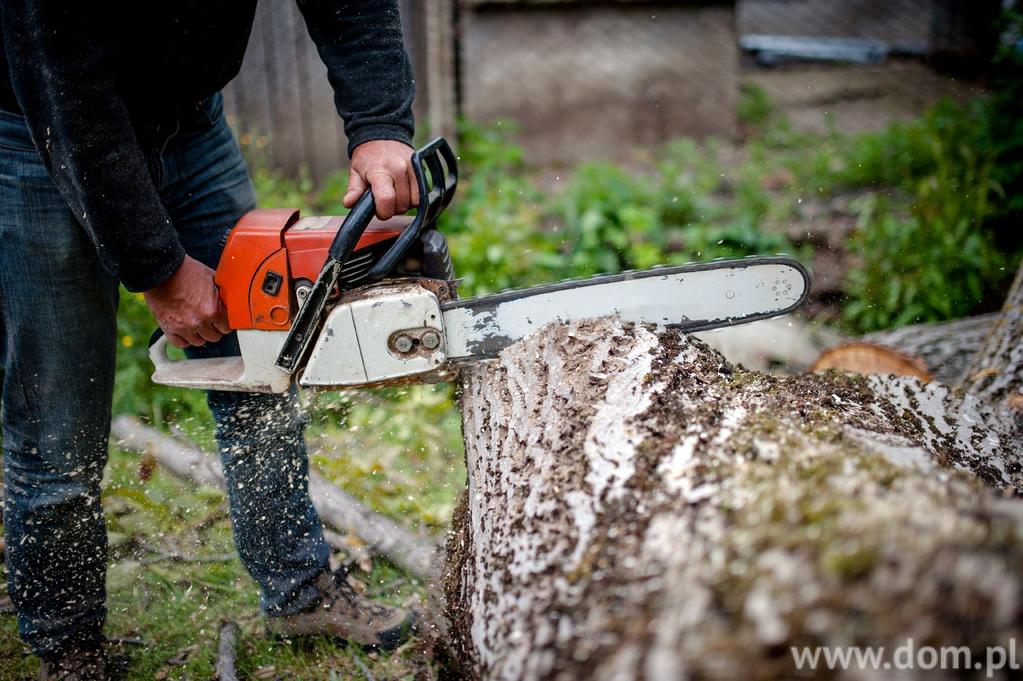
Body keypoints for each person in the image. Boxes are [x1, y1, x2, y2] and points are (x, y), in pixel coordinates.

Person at [0, 2, 421, 678]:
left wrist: (378, 126)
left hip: (192, 125)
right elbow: (68, 86)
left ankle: (298, 591)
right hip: (40, 130)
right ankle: (68, 647)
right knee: (58, 425)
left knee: (262, 369)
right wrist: (157, 269)